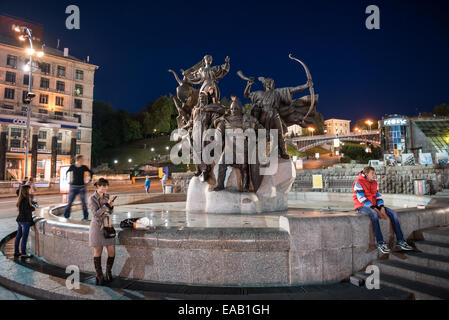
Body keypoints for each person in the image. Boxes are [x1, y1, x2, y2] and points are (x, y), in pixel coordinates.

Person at [353, 166, 413, 254]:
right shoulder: (358, 183)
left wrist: (382, 207)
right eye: (372, 173)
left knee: (393, 213)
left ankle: (401, 241)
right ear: (366, 174)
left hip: (375, 205)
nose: (374, 175)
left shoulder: (374, 183)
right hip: (361, 206)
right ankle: (380, 243)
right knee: (373, 214)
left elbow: (378, 196)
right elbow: (361, 198)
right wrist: (375, 209)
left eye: (374, 173)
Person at [88, 178, 116, 285]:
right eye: (103, 186)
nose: (105, 188)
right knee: (98, 251)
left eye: (106, 186)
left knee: (112, 251)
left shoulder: (107, 196)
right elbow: (96, 213)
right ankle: (99, 275)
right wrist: (108, 205)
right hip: (97, 226)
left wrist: (111, 206)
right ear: (98, 186)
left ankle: (108, 272)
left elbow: (111, 211)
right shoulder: (92, 198)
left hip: (107, 225)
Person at [64, 155, 93, 221]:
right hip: (73, 187)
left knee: (83, 203)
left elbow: (91, 172)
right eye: (82, 159)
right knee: (70, 202)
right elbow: (67, 172)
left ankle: (85, 217)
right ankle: (66, 216)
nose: (83, 160)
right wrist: (67, 180)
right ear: (78, 159)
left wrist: (89, 180)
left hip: (82, 187)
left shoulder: (84, 167)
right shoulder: (73, 166)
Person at [14, 184, 37, 259]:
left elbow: (18, 191)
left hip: (20, 220)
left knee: (18, 237)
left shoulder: (20, 197)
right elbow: (26, 210)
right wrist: (33, 208)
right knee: (24, 237)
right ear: (25, 191)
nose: (30, 191)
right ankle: (23, 253)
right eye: (28, 189)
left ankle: (16, 252)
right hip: (25, 221)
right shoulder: (25, 199)